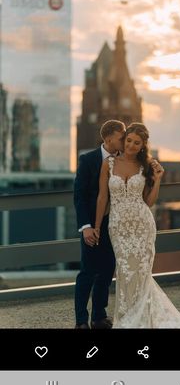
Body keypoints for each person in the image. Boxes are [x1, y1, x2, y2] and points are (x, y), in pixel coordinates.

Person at [94, 123, 180, 328]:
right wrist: (96, 226)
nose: (131, 145)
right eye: (128, 140)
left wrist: (157, 180)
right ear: (125, 139)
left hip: (142, 225)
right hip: (118, 226)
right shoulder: (109, 164)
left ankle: (141, 318)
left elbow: (148, 201)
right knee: (124, 270)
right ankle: (127, 316)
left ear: (142, 146)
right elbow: (103, 197)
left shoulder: (145, 166)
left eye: (136, 143)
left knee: (141, 272)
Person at [73, 119, 126, 329]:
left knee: (107, 270)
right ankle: (80, 321)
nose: (124, 140)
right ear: (109, 138)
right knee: (87, 272)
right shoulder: (88, 160)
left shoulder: (124, 160)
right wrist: (86, 226)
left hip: (114, 225)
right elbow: (79, 196)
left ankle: (98, 317)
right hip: (92, 225)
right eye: (122, 136)